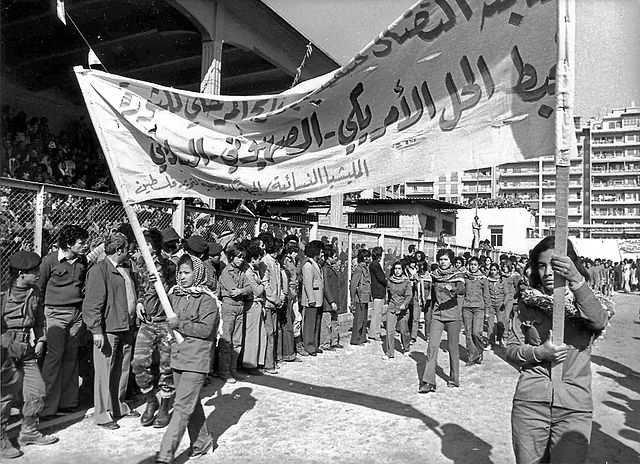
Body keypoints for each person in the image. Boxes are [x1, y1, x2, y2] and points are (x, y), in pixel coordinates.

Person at [507, 236, 609, 464]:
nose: (547, 273)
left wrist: (576, 279)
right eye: (541, 266)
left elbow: (598, 321)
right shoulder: (527, 302)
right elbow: (511, 351)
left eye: (554, 266)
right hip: (530, 404)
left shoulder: (586, 302)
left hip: (574, 408)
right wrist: (539, 353)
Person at [156, 254, 219, 463]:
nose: (182, 277)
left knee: (182, 408)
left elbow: (206, 329)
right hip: (178, 357)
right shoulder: (174, 295)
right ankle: (203, 442)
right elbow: (160, 311)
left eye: (187, 273)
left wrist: (179, 325)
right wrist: (154, 284)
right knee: (191, 403)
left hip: (196, 359)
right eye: (180, 272)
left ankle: (165, 455)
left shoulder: (208, 299)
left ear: (197, 273)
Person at [1, 251, 58, 459]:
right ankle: (1, 438)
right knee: (5, 398)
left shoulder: (35, 291)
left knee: (38, 391)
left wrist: (41, 339)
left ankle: (29, 431)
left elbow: (39, 319)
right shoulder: (3, 293)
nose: (37, 273)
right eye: (34, 271)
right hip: (5, 348)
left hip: (27, 348)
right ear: (20, 273)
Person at [82, 232, 139, 430]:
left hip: (126, 326)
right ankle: (102, 414)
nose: (129, 253)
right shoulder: (100, 271)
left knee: (122, 369)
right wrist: (97, 330)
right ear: (118, 250)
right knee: (104, 372)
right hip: (109, 329)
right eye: (126, 250)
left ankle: (117, 406)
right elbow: (91, 304)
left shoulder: (125, 268)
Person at [39, 224, 89, 418]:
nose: (85, 245)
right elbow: (40, 288)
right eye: (81, 243)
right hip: (55, 315)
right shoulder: (49, 261)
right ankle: (46, 407)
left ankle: (68, 403)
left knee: (70, 357)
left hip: (76, 315)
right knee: (54, 359)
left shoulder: (82, 261)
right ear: (68, 244)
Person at [131, 228, 176, 428]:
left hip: (165, 322)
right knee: (139, 363)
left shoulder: (168, 266)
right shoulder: (140, 266)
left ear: (156, 245)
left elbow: (174, 291)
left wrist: (161, 280)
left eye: (148, 243)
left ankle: (165, 405)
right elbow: (141, 289)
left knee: (167, 366)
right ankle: (151, 400)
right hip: (148, 323)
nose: (144, 247)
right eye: (143, 243)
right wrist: (140, 301)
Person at [419, 249, 465, 393]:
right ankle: (428, 381)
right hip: (437, 315)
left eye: (445, 259)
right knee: (432, 347)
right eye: (440, 259)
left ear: (451, 261)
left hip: (453, 316)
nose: (442, 262)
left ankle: (454, 378)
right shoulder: (434, 275)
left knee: (453, 348)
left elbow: (462, 289)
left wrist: (453, 289)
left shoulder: (457, 275)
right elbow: (431, 294)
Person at [218, 246, 252, 383]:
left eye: (243, 257)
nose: (241, 260)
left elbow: (250, 289)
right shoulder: (227, 272)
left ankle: (233, 369)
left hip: (239, 306)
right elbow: (233, 291)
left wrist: (242, 291)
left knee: (237, 342)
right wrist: (243, 290)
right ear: (232, 257)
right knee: (227, 341)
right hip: (229, 307)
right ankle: (224, 371)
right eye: (238, 257)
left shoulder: (242, 272)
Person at [241, 245, 267, 374]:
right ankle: (249, 364)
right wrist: (262, 284)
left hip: (256, 304)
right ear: (252, 259)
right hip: (251, 305)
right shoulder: (248, 273)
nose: (260, 261)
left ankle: (256, 362)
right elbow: (256, 291)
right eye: (259, 258)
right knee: (252, 336)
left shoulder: (253, 271)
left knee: (259, 334)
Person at [261, 237, 285, 374]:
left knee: (274, 332)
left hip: (275, 303)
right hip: (268, 303)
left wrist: (280, 297)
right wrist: (275, 299)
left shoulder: (276, 263)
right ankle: (268, 364)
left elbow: (279, 283)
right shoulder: (266, 261)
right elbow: (265, 284)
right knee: (269, 333)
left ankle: (273, 361)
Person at [462, 256, 490, 366]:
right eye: (471, 264)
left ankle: (479, 351)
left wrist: (487, 311)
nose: (472, 267)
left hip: (479, 308)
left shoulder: (483, 279)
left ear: (479, 266)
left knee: (476, 332)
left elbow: (487, 295)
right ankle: (472, 357)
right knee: (468, 334)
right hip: (467, 307)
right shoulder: (465, 278)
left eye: (475, 265)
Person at [383, 262, 412, 360]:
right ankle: (389, 352)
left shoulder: (406, 282)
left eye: (399, 268)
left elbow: (409, 295)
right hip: (392, 308)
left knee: (404, 331)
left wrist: (404, 304)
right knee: (389, 331)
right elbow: (388, 293)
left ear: (403, 270)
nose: (397, 271)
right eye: (395, 268)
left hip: (403, 309)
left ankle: (406, 347)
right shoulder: (390, 281)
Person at [301, 240, 325, 356]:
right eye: (320, 251)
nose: (321, 253)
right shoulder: (308, 266)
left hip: (318, 299)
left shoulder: (317, 264)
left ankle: (315, 345)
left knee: (317, 322)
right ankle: (309, 346)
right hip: (312, 299)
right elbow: (307, 283)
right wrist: (311, 299)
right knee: (310, 324)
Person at [320, 246, 342, 351]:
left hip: (333, 301)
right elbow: (326, 287)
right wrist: (331, 301)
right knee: (326, 323)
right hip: (328, 302)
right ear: (329, 258)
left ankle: (334, 341)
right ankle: (325, 343)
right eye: (334, 256)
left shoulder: (330, 268)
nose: (336, 258)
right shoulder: (325, 269)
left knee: (334, 321)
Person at [350, 248, 371, 346]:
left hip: (365, 296)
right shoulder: (359, 269)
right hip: (360, 296)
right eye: (367, 257)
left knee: (363, 319)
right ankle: (356, 339)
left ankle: (362, 338)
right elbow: (354, 284)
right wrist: (352, 298)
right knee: (359, 319)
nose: (369, 259)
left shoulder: (366, 268)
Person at [486, 263, 507, 350]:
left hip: (500, 304)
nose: (493, 272)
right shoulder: (487, 280)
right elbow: (486, 293)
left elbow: (506, 293)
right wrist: (487, 305)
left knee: (500, 324)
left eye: (494, 270)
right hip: (491, 304)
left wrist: (504, 303)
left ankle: (500, 339)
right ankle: (491, 342)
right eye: (491, 270)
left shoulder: (502, 280)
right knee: (490, 325)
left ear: (498, 270)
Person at [369, 246, 386, 342]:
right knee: (377, 313)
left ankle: (375, 332)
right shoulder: (375, 265)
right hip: (378, 291)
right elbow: (381, 278)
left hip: (377, 291)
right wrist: (386, 281)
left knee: (377, 312)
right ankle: (375, 333)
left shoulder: (373, 264)